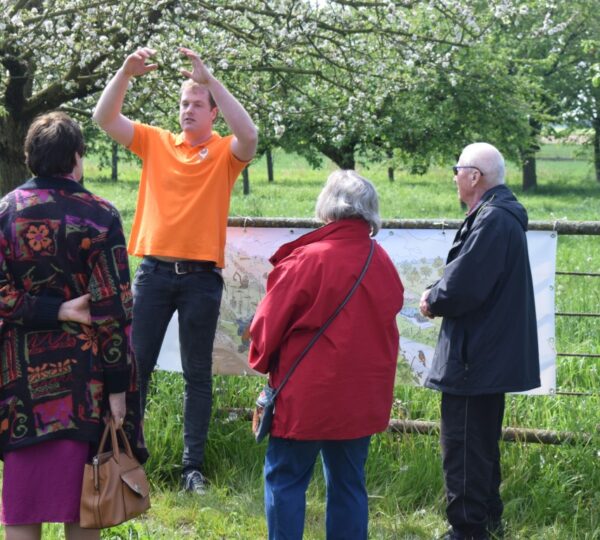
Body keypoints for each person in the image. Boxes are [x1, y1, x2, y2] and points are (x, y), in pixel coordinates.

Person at [93, 46, 258, 494]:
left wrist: (212, 81)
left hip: (201, 278)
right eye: (184, 104)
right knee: (137, 368)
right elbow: (103, 119)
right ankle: (128, 458)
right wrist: (124, 73)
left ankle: (192, 469)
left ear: (212, 113)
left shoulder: (225, 151)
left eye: (197, 104)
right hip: (154, 273)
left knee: (196, 374)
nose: (187, 110)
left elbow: (251, 135)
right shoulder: (156, 141)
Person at [0, 112, 146, 540]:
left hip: (19, 389)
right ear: (77, 158)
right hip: (86, 387)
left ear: (30, 156)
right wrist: (118, 388)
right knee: (85, 506)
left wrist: (46, 310)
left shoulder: (5, 212)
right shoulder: (100, 215)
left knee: (21, 509)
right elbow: (115, 308)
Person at [248, 170, 404, 540]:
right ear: (369, 212)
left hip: (307, 394)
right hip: (361, 395)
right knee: (349, 484)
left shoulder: (307, 259)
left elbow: (267, 324)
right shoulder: (381, 261)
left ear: (328, 205)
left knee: (285, 479)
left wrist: (263, 359)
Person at [419, 143, 540, 540]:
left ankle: (468, 530)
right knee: (480, 444)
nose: (454, 176)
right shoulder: (500, 216)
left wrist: (432, 298)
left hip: (474, 357)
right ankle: (487, 520)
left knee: (465, 446)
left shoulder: (491, 220)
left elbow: (464, 286)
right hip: (486, 354)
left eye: (458, 169)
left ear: (475, 176)